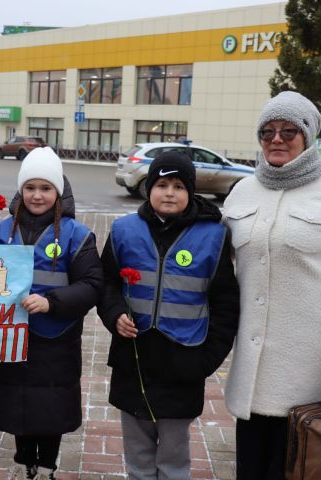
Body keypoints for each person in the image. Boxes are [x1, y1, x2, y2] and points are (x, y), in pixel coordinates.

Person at [222, 91, 321, 480]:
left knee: (298, 462)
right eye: (268, 131)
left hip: (307, 356)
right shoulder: (242, 191)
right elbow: (220, 264)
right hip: (252, 361)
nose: (277, 139)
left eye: (289, 130)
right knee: (251, 461)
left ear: (307, 137)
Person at [97, 151, 240, 480]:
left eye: (178, 185)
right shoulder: (124, 231)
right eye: (161, 184)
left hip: (184, 362)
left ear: (191, 191)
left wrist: (208, 358)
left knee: (173, 455)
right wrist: (115, 314)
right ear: (149, 189)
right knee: (137, 452)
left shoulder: (213, 236)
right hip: (133, 360)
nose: (169, 192)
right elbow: (106, 284)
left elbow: (226, 301)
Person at [0, 147, 102, 480]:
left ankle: (48, 464)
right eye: (30, 187)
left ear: (59, 193)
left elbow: (92, 284)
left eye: (46, 188)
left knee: (51, 409)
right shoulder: (0, 232)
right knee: (17, 406)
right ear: (21, 190)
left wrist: (52, 302)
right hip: (10, 339)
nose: (37, 195)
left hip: (55, 341)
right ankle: (25, 463)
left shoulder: (76, 236)